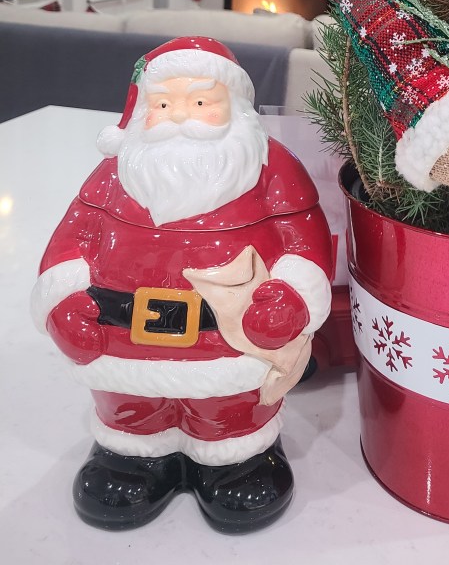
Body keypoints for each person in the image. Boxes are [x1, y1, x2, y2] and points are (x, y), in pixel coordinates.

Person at [31, 36, 333, 533]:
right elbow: (71, 241)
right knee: (130, 408)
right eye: (164, 104)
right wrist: (61, 302)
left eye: (200, 101)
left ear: (235, 106)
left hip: (229, 337)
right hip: (121, 338)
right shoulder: (112, 174)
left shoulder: (271, 169)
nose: (180, 117)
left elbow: (303, 240)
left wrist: (293, 295)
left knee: (229, 410)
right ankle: (132, 457)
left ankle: (235, 460)